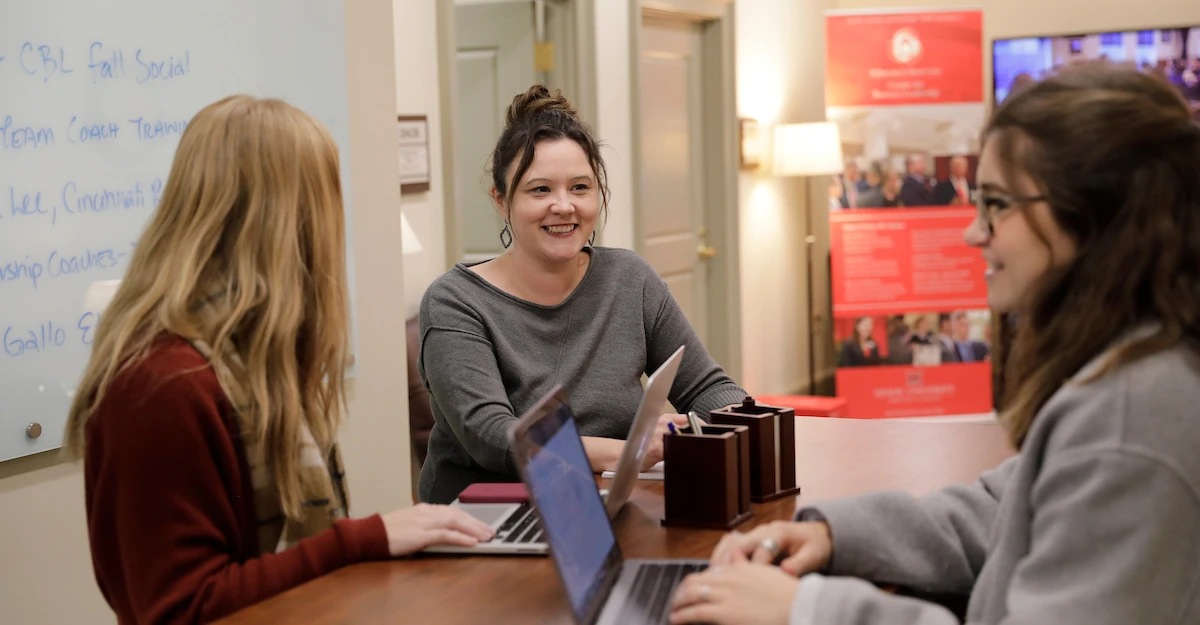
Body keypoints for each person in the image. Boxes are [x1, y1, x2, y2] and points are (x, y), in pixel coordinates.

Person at [669, 63, 1200, 625]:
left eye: (996, 204)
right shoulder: (1129, 362)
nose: (973, 232)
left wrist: (807, 609)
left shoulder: (1129, 417)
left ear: (1097, 217)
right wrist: (831, 533)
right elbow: (1009, 507)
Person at [64, 96, 495, 624]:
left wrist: (372, 540)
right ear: (288, 222)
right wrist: (363, 540)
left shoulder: (246, 365)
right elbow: (182, 607)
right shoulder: (162, 386)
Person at [417, 85, 747, 504]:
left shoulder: (629, 278)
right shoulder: (454, 302)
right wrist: (627, 451)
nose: (564, 206)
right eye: (540, 190)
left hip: (609, 502)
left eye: (580, 187)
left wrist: (708, 428)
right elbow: (495, 438)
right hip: (493, 518)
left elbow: (708, 388)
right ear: (501, 201)